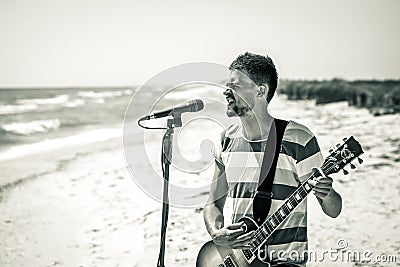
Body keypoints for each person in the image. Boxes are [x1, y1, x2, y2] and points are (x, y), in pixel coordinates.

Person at [203, 52, 342, 266]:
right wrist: (216, 232)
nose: (226, 92)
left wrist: (327, 192)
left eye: (235, 86)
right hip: (238, 261)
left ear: (261, 91)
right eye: (227, 85)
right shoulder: (226, 140)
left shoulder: (298, 139)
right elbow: (213, 204)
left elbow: (333, 210)